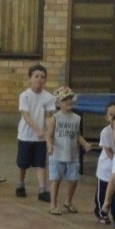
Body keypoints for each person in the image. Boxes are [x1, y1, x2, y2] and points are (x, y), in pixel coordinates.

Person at [46, 86, 92, 215]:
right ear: (59, 103)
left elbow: (77, 135)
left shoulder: (76, 118)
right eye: (65, 99)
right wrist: (50, 146)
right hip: (57, 155)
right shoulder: (55, 118)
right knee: (56, 180)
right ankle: (53, 204)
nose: (68, 101)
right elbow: (49, 135)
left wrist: (85, 144)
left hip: (72, 155)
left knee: (73, 179)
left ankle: (68, 201)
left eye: (70, 98)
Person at [16, 64, 54, 201]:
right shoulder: (24, 96)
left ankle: (42, 190)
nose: (39, 79)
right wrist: (38, 130)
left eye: (42, 77)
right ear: (30, 79)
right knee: (22, 163)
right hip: (26, 136)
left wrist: (48, 133)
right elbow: (26, 116)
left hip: (41, 139)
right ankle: (20, 185)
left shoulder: (49, 97)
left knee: (40, 163)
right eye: (36, 76)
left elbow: (49, 116)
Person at [94, 101, 115, 225]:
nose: (114, 117)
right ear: (106, 117)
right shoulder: (105, 132)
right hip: (106, 169)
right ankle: (101, 213)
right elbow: (109, 152)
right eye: (111, 114)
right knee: (102, 194)